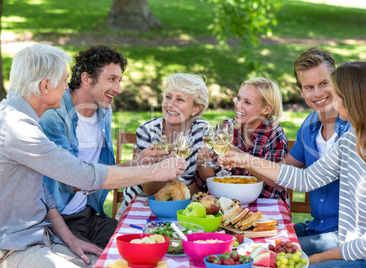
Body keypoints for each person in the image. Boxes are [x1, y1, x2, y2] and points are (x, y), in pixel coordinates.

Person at [0, 44, 185, 268]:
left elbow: (44, 194)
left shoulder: (26, 118)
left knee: (145, 250)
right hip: (16, 245)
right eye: (63, 81)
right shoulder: (18, 128)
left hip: (57, 228)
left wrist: (71, 240)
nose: (67, 85)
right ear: (45, 85)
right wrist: (154, 172)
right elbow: (78, 176)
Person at [220, 61, 366, 267]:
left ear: (354, 100)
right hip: (348, 245)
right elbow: (305, 179)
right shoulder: (351, 140)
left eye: (337, 96)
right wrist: (244, 159)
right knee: (254, 251)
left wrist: (308, 260)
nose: (332, 101)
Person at [40, 44, 150, 249]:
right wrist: (145, 172)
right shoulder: (55, 116)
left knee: (145, 242)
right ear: (86, 78)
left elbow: (99, 170)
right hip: (58, 222)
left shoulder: (103, 110)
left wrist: (137, 163)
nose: (118, 89)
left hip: (87, 214)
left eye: (119, 80)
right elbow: (69, 181)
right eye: (111, 79)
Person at [281, 47, 351, 255]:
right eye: (309, 87)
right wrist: (238, 159)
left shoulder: (353, 126)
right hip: (317, 227)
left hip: (347, 235)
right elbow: (283, 173)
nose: (318, 93)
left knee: (277, 252)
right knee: (263, 238)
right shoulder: (309, 125)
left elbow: (305, 179)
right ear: (301, 92)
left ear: (337, 83)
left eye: (324, 83)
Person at [117, 73, 211, 218]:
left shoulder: (203, 131)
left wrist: (174, 197)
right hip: (141, 204)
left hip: (183, 207)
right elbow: (149, 190)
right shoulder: (147, 131)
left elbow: (203, 183)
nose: (170, 104)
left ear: (196, 109)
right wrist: (167, 165)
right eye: (168, 97)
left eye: (180, 99)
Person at [195, 77, 289, 207]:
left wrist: (243, 160)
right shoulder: (225, 128)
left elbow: (277, 182)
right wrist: (205, 161)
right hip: (227, 204)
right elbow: (208, 179)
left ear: (266, 109)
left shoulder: (273, 134)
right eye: (239, 98)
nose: (238, 105)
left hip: (265, 204)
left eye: (247, 102)